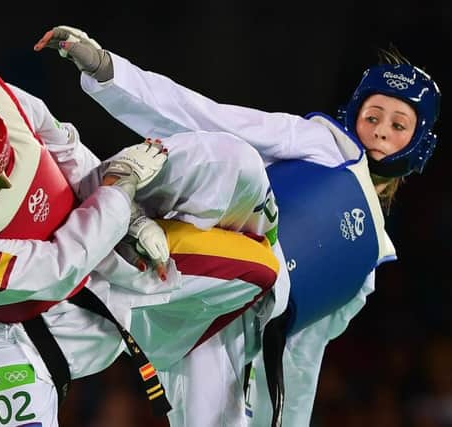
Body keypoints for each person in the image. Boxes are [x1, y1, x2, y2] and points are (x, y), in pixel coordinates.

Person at [34, 25, 441, 426]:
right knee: (233, 157)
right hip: (225, 230)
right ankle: (118, 193)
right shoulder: (321, 143)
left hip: (230, 317)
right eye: (373, 116)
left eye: (398, 125)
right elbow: (210, 119)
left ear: (418, 143)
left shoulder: (367, 263)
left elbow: (299, 357)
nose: (380, 130)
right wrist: (111, 74)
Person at [0, 65, 280, 427]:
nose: (7, 183)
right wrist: (117, 192)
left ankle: (196, 348)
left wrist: (132, 217)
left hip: (91, 248)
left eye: (6, 166)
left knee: (259, 268)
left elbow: (67, 152)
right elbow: (58, 269)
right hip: (19, 326)